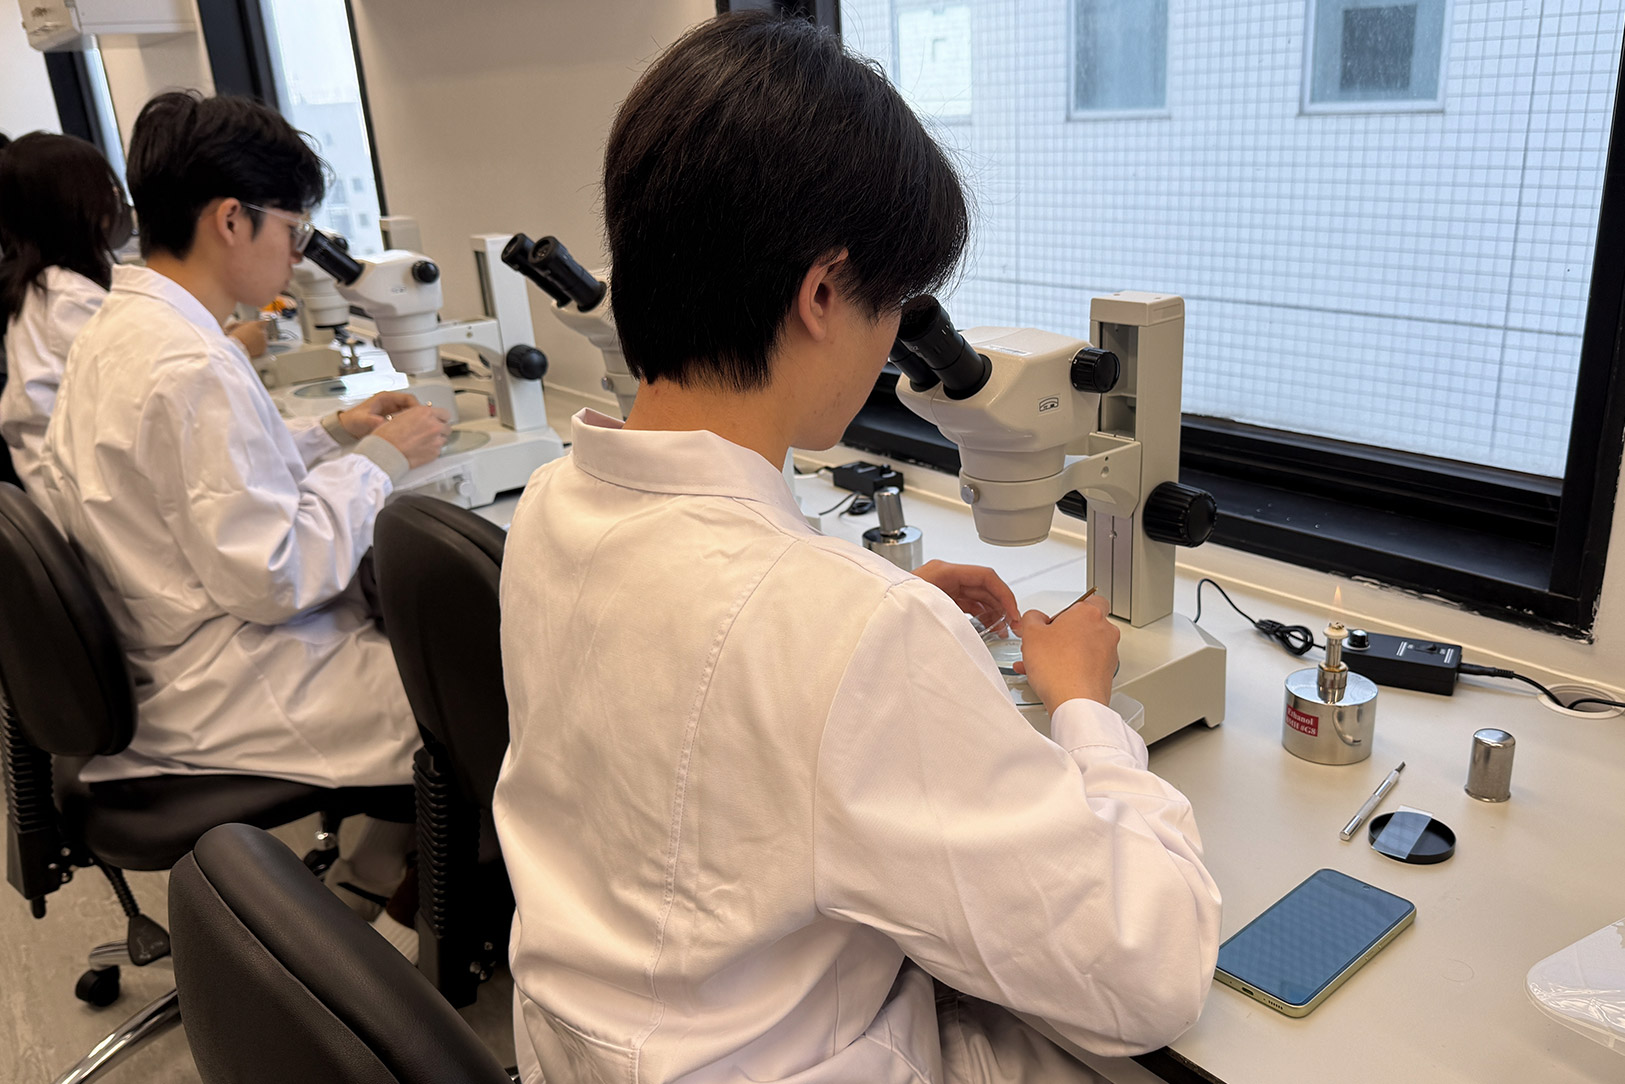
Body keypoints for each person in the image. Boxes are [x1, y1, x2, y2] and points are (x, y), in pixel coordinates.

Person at [493, 13, 1222, 1084]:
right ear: (823, 292)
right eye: (891, 304)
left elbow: (687, 684)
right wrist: (1084, 712)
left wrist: (860, 619)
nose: (891, 345)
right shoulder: (849, 633)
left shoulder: (555, 503)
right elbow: (1148, 965)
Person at [39, 92, 450, 937]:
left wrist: (335, 432)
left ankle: (366, 883)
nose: (298, 258)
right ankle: (423, 939)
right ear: (233, 219)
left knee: (438, 658)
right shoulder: (191, 361)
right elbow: (273, 574)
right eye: (293, 233)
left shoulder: (125, 325)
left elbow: (195, 475)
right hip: (221, 679)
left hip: (163, 647)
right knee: (476, 698)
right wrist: (381, 462)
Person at [0, 132, 262, 500]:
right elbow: (151, 393)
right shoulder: (67, 301)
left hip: (76, 486)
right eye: (106, 187)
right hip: (86, 499)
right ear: (74, 203)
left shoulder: (43, 287)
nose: (116, 199)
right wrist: (235, 346)